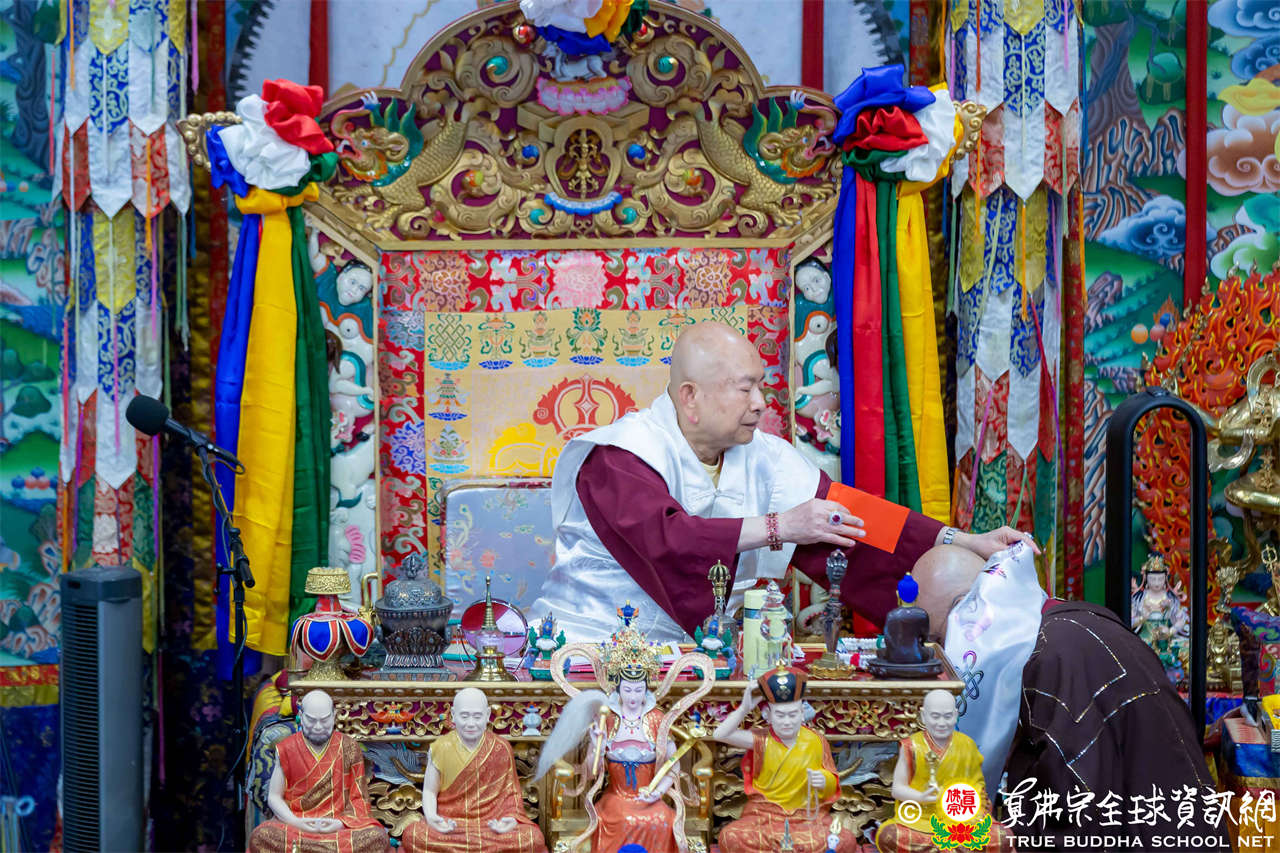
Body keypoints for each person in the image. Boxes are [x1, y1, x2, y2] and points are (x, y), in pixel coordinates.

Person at [529, 321, 1025, 642]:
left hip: (707, 655)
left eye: (761, 387)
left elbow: (855, 521)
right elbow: (669, 540)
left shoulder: (762, 456)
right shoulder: (620, 455)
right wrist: (780, 526)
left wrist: (962, 541)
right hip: (591, 646)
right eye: (745, 388)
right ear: (690, 397)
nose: (761, 403)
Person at [912, 546, 1230, 850]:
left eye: (941, 642)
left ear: (971, 611)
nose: (946, 670)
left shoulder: (1055, 657)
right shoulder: (1062, 629)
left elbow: (1069, 820)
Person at [713, 665, 858, 853]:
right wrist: (744, 708)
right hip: (765, 816)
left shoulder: (816, 740)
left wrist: (825, 780)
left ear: (802, 714)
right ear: (768, 716)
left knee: (845, 840)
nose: (787, 722)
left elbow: (832, 783)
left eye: (793, 714)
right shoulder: (762, 740)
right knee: (729, 837)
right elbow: (720, 735)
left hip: (806, 818)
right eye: (780, 715)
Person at [400, 688, 546, 853]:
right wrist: (432, 818)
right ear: (453, 715)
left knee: (534, 838)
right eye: (464, 716)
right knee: (413, 835)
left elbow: (511, 797)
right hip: (452, 825)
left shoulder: (501, 748)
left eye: (477, 716)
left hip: (490, 826)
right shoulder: (441, 747)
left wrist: (510, 820)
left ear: (488, 715)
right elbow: (429, 791)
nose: (470, 723)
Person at [248, 689, 390, 853]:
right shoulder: (286, 748)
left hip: (337, 829)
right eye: (311, 720)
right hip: (298, 827)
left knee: (377, 838)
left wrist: (340, 823)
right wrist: (295, 821)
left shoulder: (349, 747)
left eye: (324, 720)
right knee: (261, 836)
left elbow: (359, 799)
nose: (317, 727)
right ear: (301, 715)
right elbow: (274, 796)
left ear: (334, 715)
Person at [874, 689, 1012, 852]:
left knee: (1002, 837)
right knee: (889, 835)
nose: (941, 723)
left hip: (959, 819)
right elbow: (897, 789)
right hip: (921, 819)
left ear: (955, 715)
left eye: (947, 716)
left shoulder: (967, 745)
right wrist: (921, 797)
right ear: (923, 716)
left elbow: (977, 790)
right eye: (935, 716)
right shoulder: (911, 746)